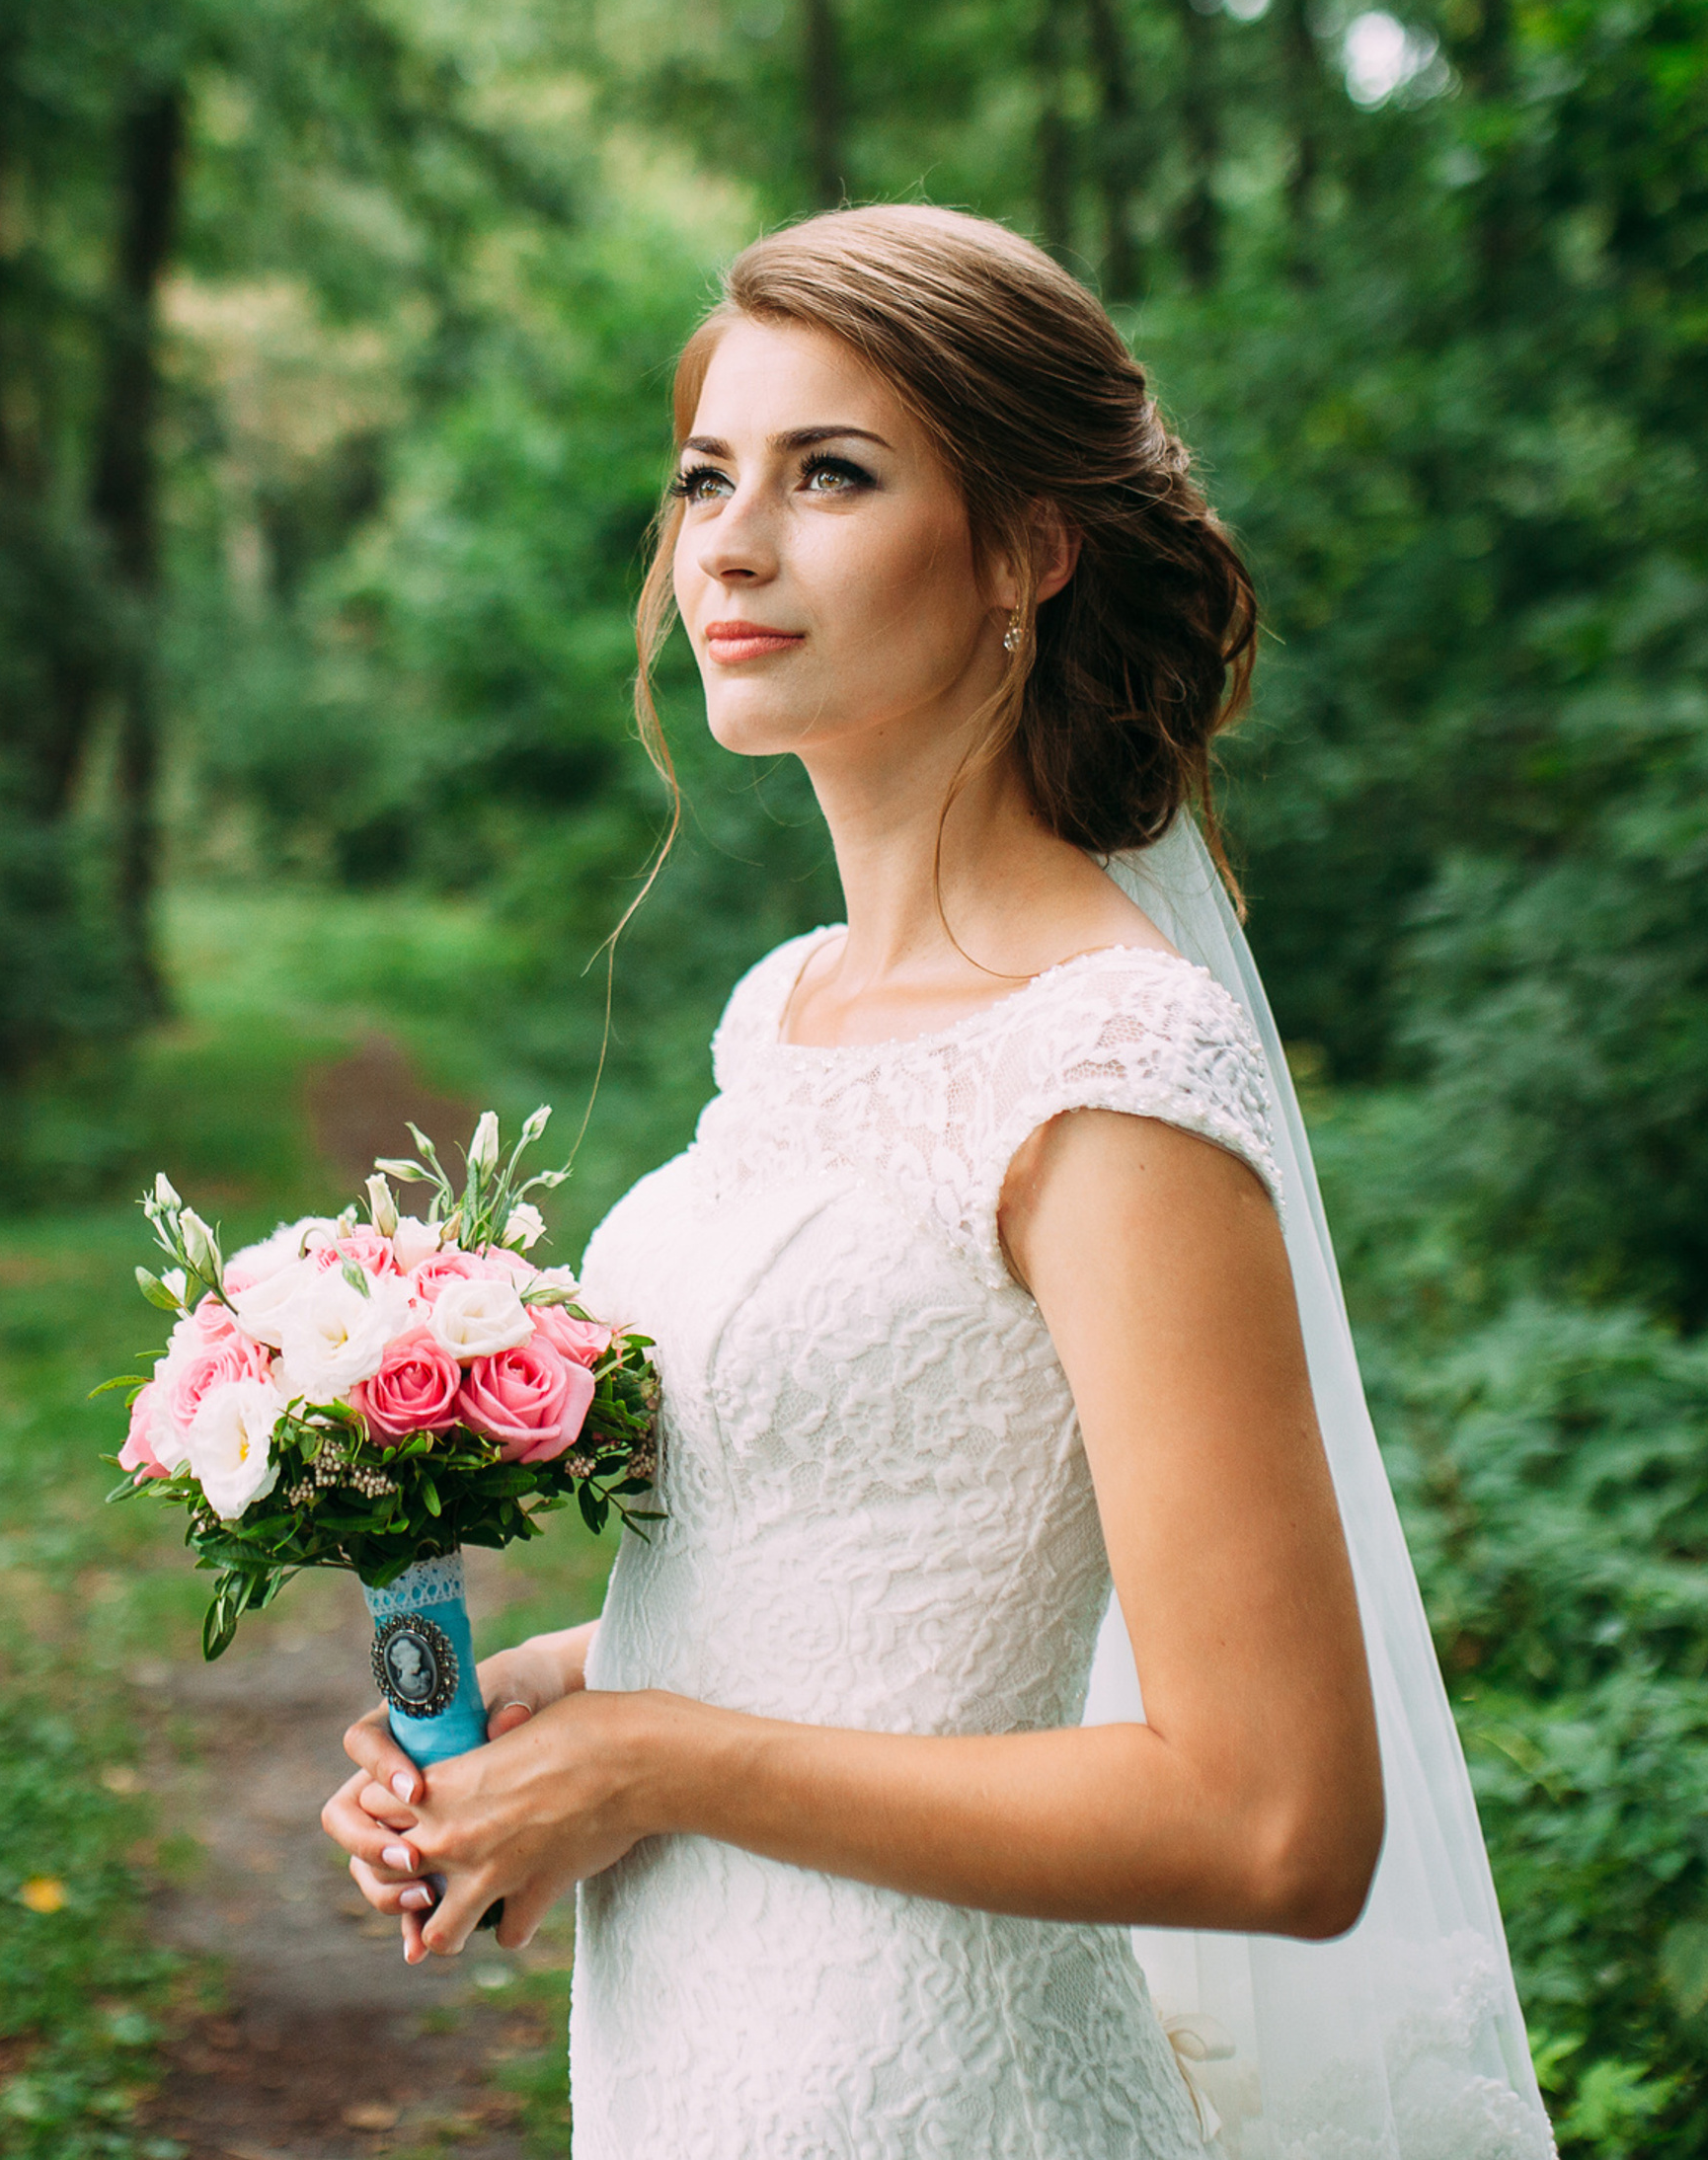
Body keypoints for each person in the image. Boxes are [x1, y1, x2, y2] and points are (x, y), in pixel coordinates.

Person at [321, 206, 1552, 2159]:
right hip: (691, 2064)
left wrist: (658, 1756)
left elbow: (1274, 1818)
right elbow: (828, 1583)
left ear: (1024, 550)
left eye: (830, 474)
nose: (727, 542)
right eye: (703, 475)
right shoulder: (779, 1009)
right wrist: (533, 1720)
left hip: (945, 2089)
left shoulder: (1111, 1070)